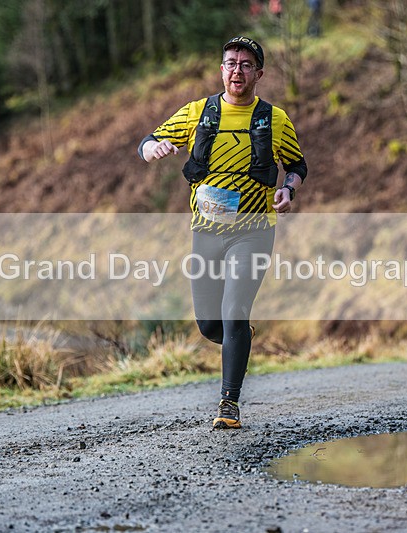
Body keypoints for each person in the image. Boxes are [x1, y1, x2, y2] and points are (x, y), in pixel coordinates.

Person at [138, 36, 308, 429]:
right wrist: (154, 150)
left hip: (254, 231)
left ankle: (228, 404)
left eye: (246, 65)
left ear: (258, 73)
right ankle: (239, 337)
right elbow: (148, 142)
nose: (237, 70)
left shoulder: (275, 119)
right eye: (230, 63)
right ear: (221, 70)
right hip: (207, 232)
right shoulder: (200, 112)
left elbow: (298, 165)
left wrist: (288, 188)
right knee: (210, 324)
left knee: (233, 312)